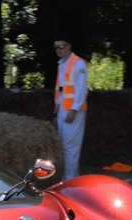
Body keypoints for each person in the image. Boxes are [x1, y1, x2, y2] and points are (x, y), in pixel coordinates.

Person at [53, 35, 88, 180]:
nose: (58, 50)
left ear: (69, 46)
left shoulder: (78, 64)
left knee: (70, 147)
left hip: (73, 111)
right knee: (65, 146)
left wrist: (74, 109)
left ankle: (70, 180)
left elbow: (81, 89)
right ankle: (69, 179)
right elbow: (61, 91)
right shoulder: (62, 64)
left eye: (61, 47)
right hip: (63, 110)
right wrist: (57, 112)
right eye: (56, 47)